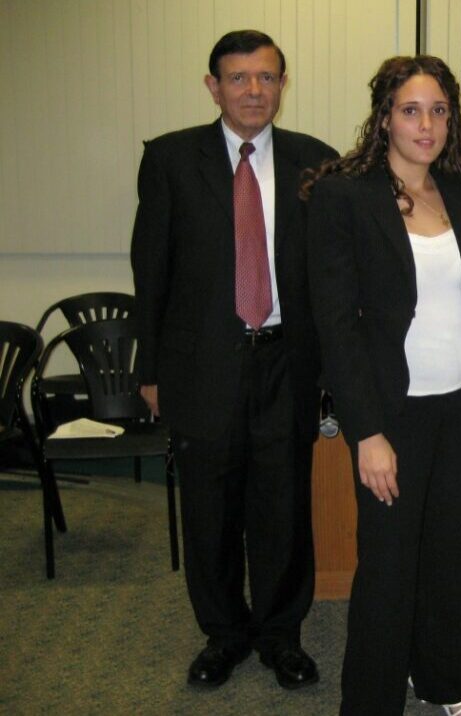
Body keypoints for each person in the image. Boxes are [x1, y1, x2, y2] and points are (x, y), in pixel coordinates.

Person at [304, 55, 461, 716]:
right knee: (390, 564)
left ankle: (449, 685)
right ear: (384, 117)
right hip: (391, 412)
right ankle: (372, 702)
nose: (426, 124)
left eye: (437, 110)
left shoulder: (459, 190)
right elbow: (337, 325)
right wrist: (366, 431)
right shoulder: (345, 195)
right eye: (410, 109)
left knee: (452, 553)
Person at [130, 30, 337, 690]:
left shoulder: (317, 162)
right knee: (211, 509)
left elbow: (332, 277)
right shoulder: (170, 160)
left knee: (283, 506)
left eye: (268, 77)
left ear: (283, 83)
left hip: (286, 363)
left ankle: (281, 635)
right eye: (240, 78)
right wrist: (150, 371)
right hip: (202, 366)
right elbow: (151, 271)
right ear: (213, 86)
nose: (255, 90)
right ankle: (223, 634)